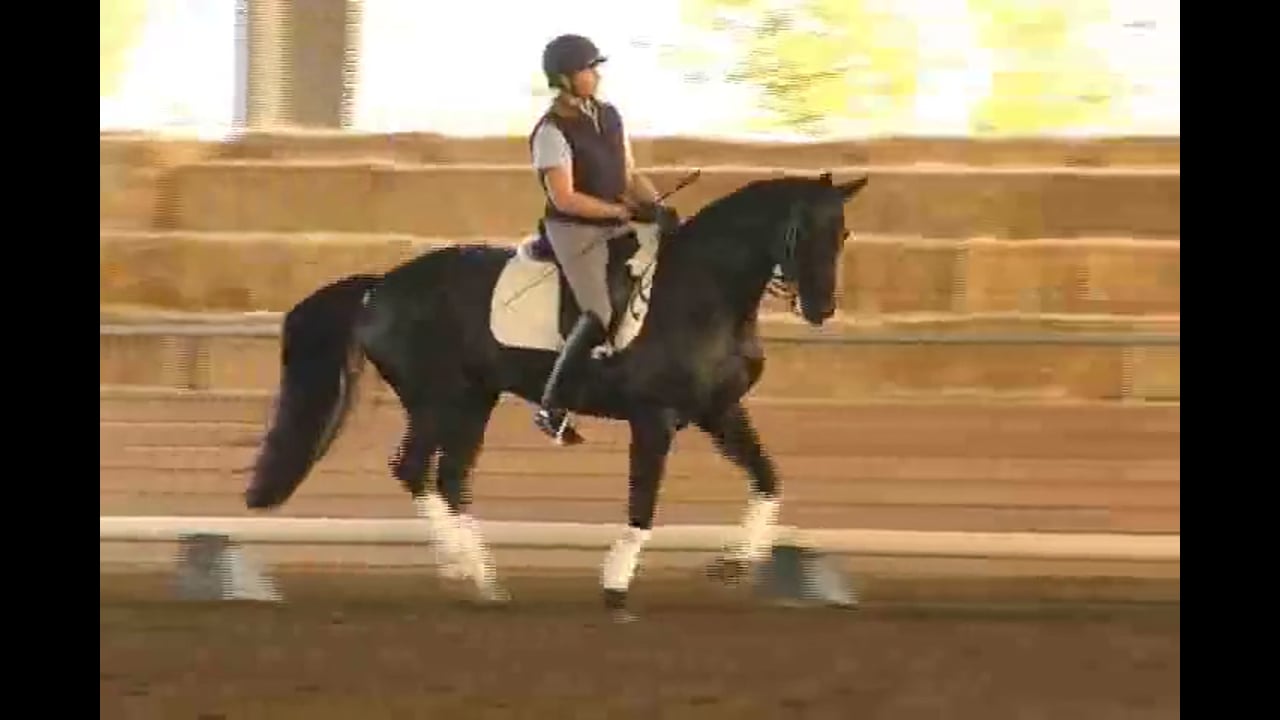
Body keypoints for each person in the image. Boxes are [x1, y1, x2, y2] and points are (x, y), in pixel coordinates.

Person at [529, 33, 678, 446]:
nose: (595, 75)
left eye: (595, 69)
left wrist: (656, 205)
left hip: (616, 220)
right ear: (563, 78)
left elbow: (629, 175)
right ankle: (553, 406)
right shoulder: (551, 131)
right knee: (598, 309)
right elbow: (565, 197)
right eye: (587, 69)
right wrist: (620, 212)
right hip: (574, 230)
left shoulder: (609, 116)